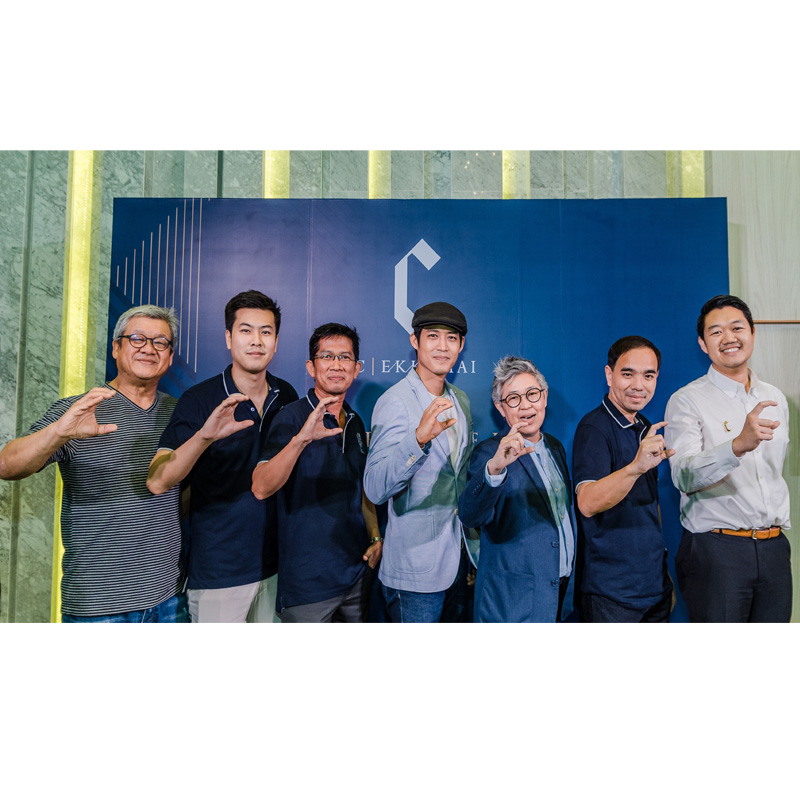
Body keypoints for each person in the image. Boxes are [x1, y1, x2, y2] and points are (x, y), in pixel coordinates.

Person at [0, 305, 186, 623]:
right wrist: (59, 432)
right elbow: (7, 465)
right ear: (116, 348)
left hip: (168, 600)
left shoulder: (181, 413)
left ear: (169, 357)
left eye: (160, 342)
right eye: (137, 339)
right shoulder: (79, 410)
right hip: (97, 606)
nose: (148, 348)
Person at [147, 290, 298, 623]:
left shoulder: (286, 395)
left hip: (276, 568)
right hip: (218, 573)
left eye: (266, 332)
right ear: (229, 338)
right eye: (246, 330)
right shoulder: (199, 399)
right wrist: (204, 437)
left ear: (276, 342)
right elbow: (157, 480)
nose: (256, 340)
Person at [665, 294, 792, 622]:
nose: (729, 338)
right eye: (716, 332)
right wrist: (736, 446)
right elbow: (683, 476)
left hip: (774, 547)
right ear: (703, 344)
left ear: (752, 333)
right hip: (717, 552)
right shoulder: (686, 400)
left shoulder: (775, 397)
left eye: (737, 328)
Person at [251, 323, 381, 622]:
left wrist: (375, 537)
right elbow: (260, 487)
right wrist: (301, 440)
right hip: (308, 586)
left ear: (357, 368)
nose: (336, 365)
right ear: (311, 367)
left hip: (356, 576)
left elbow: (363, 488)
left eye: (345, 357)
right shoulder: (291, 417)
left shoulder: (355, 421)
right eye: (327, 356)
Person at [364, 301, 473, 623]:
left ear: (461, 346)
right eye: (433, 336)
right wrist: (418, 439)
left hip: (457, 562)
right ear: (415, 341)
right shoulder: (394, 402)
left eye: (451, 338)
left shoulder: (461, 399)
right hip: (414, 572)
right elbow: (374, 488)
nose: (443, 346)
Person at [459, 357, 575, 622]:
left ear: (544, 397)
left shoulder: (555, 447)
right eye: (513, 399)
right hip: (512, 604)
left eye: (532, 394)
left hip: (558, 596)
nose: (525, 405)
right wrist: (495, 468)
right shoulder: (489, 453)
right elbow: (470, 516)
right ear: (501, 408)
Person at [572, 336, 674, 623]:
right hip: (612, 595)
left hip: (654, 589)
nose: (639, 385)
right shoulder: (594, 428)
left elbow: (650, 506)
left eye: (648, 375)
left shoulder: (644, 426)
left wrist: (662, 574)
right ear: (609, 375)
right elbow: (587, 502)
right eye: (628, 374)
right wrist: (634, 468)